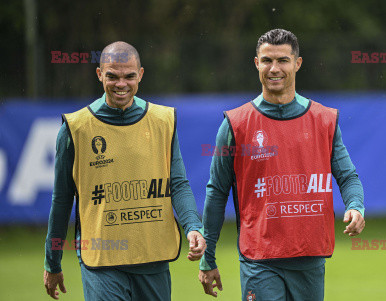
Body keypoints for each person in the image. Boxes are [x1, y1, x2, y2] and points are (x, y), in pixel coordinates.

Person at [198, 29, 365, 300]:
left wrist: (356, 206)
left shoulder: (324, 120)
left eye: (283, 60)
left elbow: (348, 176)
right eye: (267, 61)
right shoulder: (235, 124)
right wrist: (208, 257)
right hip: (259, 259)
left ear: (297, 64)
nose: (274, 68)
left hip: (310, 259)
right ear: (256, 64)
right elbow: (216, 192)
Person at [43, 41, 206, 301]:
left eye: (129, 76)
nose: (121, 84)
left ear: (140, 74)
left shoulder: (163, 121)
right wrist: (52, 261)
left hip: (153, 257)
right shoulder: (76, 128)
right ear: (99, 75)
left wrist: (193, 227)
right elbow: (62, 199)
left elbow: (177, 183)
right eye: (112, 76)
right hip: (102, 261)